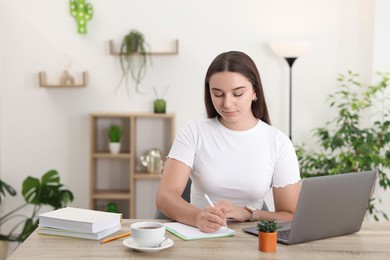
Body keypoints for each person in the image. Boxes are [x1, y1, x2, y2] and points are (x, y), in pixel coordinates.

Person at [156, 51, 300, 233]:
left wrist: (249, 213)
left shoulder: (278, 142)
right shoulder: (194, 131)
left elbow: (290, 215)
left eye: (237, 94)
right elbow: (165, 195)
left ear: (255, 92)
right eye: (218, 94)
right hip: (201, 235)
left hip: (251, 241)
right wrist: (197, 217)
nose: (227, 104)